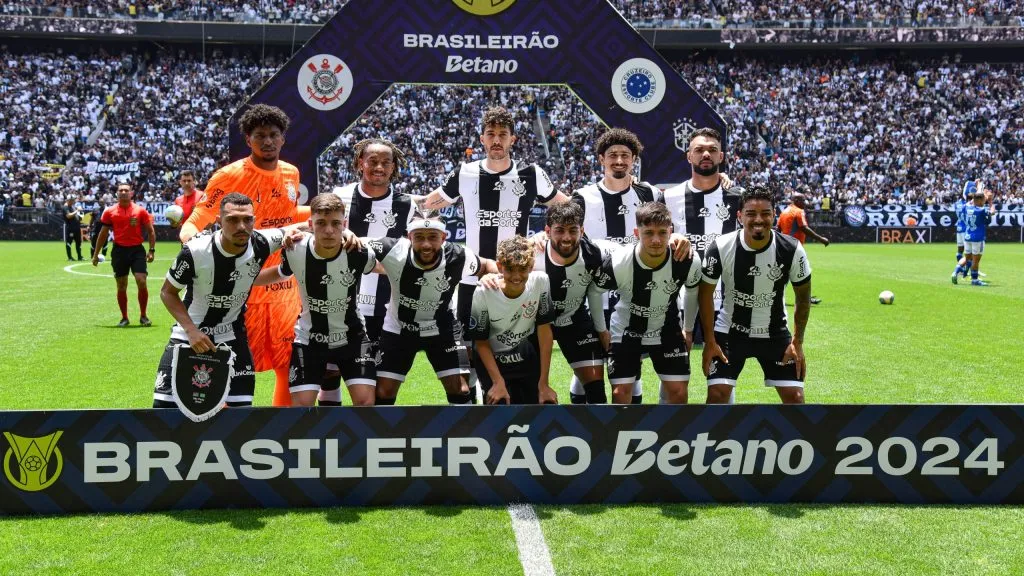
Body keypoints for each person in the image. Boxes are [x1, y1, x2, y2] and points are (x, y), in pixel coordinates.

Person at [415, 106, 569, 400]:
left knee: (522, 348)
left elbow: (565, 208)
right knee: (472, 349)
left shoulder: (531, 173)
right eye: (491, 134)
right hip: (473, 278)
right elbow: (429, 202)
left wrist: (544, 233)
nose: (496, 140)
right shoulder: (465, 173)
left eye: (502, 135)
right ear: (482, 139)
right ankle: (476, 411)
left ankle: (522, 401)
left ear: (513, 139)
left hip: (517, 279)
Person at [178, 104, 311, 407]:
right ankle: (222, 430)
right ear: (248, 140)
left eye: (274, 135)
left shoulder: (291, 173)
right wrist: (190, 243)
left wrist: (316, 216)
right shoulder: (229, 176)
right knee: (228, 362)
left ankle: (287, 431)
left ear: (283, 139)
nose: (268, 142)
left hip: (283, 286)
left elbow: (285, 215)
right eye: (260, 136)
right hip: (240, 289)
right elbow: (198, 218)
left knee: (289, 363)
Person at [152, 193, 296, 408]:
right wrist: (191, 330)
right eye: (232, 220)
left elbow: (304, 227)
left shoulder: (261, 242)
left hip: (232, 337)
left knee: (241, 416)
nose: (241, 226)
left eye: (247, 219)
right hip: (189, 337)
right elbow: (167, 292)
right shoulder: (196, 251)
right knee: (163, 412)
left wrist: (346, 233)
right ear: (219, 222)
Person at [256, 194, 378, 407]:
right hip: (310, 339)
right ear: (310, 224)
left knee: (365, 403)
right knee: (302, 409)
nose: (329, 230)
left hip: (352, 338)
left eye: (336, 224)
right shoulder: (295, 249)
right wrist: (244, 281)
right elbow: (280, 272)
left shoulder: (357, 251)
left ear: (344, 225)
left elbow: (388, 268)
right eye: (321, 223)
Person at [368, 211, 498, 405]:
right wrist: (346, 235)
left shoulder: (459, 256)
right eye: (419, 237)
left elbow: (487, 264)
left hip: (441, 328)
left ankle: (467, 429)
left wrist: (492, 275)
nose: (426, 244)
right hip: (399, 328)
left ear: (443, 238)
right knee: (383, 392)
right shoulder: (393, 249)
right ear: (409, 237)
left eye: (433, 237)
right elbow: (357, 242)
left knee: (460, 389)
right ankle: (382, 435)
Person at [569, 127, 660, 404]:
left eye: (625, 155)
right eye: (612, 155)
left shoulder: (651, 195)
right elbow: (565, 233)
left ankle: (628, 431)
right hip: (591, 296)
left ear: (634, 159)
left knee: (632, 369)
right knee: (589, 365)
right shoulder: (583, 197)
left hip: (634, 297)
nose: (619, 161)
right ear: (601, 159)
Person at [700, 185, 813, 405]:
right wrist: (710, 341)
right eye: (751, 214)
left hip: (775, 333)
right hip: (730, 333)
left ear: (774, 216)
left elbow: (803, 297)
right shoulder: (721, 247)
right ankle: (716, 440)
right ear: (740, 216)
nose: (758, 220)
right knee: (717, 395)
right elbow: (704, 295)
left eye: (765, 213)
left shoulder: (792, 249)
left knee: (795, 398)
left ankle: (794, 441)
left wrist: (797, 342)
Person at [591, 202, 703, 405]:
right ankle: (625, 436)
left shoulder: (688, 260)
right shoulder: (619, 262)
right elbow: (595, 291)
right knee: (620, 394)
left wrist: (687, 329)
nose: (656, 240)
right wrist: (602, 330)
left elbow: (693, 291)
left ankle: (670, 436)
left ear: (671, 231)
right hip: (626, 330)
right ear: (636, 232)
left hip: (667, 329)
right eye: (648, 232)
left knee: (678, 393)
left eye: (662, 232)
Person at [331, 138, 415, 356]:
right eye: (373, 161)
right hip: (340, 299)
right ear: (361, 163)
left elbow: (414, 254)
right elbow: (317, 231)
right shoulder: (340, 197)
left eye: (386, 162)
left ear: (393, 167)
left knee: (379, 380)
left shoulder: (406, 205)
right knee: (330, 374)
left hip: (386, 306)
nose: (379, 167)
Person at [469, 236, 556, 405]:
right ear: (500, 266)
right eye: (510, 269)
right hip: (493, 359)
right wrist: (497, 382)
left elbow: (544, 331)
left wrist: (544, 383)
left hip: (525, 355)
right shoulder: (483, 292)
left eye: (523, 269)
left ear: (531, 266)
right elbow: (481, 340)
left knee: (540, 406)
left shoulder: (541, 281)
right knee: (499, 407)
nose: (516, 276)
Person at [91, 181, 156, 327]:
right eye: (121, 190)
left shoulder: (140, 211)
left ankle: (144, 316)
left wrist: (151, 250)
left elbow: (150, 231)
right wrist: (96, 254)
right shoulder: (109, 212)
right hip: (119, 251)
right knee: (121, 285)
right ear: (117, 193)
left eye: (126, 190)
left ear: (131, 193)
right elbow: (103, 233)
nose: (124, 192)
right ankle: (124, 317)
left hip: (137, 250)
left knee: (141, 280)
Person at [777, 192, 829, 304]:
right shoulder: (798, 211)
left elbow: (778, 229)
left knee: (784, 273)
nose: (805, 203)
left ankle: (776, 296)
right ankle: (805, 298)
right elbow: (804, 228)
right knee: (803, 272)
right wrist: (821, 239)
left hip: (784, 246)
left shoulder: (784, 212)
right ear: (796, 200)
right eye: (803, 200)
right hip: (794, 247)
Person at [954, 189, 996, 286]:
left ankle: (955, 272)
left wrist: (979, 196)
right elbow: (992, 212)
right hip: (977, 237)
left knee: (967, 257)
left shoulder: (967, 207)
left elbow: (971, 202)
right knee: (975, 260)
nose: (984, 202)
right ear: (980, 201)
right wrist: (990, 201)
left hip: (967, 236)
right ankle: (975, 279)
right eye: (983, 200)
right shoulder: (981, 210)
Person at [62, 196, 83, 261]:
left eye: (73, 200)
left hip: (77, 228)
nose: (73, 201)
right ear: (69, 200)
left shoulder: (73, 207)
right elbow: (68, 216)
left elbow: (79, 217)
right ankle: (70, 258)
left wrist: (81, 213)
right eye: (72, 200)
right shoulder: (65, 207)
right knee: (69, 242)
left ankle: (80, 257)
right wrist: (77, 210)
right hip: (71, 228)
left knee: (78, 242)